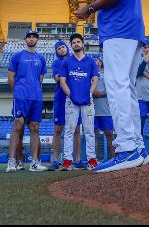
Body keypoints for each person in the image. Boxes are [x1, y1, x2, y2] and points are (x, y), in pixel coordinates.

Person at [75, 0, 147, 173]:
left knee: (116, 86)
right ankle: (138, 147)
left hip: (119, 31)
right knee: (128, 89)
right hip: (132, 33)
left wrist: (90, 7)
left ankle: (126, 149)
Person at [6, 30, 48, 173]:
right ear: (25, 39)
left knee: (35, 127)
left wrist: (34, 90)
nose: (31, 39)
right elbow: (10, 78)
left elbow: (40, 79)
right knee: (18, 126)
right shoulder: (17, 56)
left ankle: (34, 162)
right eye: (29, 37)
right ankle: (11, 161)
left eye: (34, 37)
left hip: (36, 97)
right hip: (21, 96)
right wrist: (17, 92)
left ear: (37, 40)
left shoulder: (41, 58)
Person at [59, 34, 99, 171]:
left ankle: (92, 159)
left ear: (82, 43)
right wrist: (71, 95)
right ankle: (67, 161)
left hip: (87, 101)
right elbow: (62, 81)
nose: (76, 44)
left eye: (78, 42)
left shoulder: (91, 61)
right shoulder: (67, 62)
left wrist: (89, 94)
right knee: (69, 130)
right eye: (73, 42)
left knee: (89, 130)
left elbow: (95, 80)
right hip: (71, 101)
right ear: (71, 45)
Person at [49, 40, 80, 170]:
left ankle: (77, 160)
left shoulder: (75, 60)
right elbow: (57, 78)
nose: (62, 50)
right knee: (58, 129)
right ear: (56, 52)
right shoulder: (56, 62)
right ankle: (55, 160)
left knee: (77, 129)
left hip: (76, 97)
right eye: (59, 49)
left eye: (63, 47)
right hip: (61, 98)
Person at [92, 57, 115, 161]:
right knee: (93, 135)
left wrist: (99, 93)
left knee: (109, 134)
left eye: (96, 60)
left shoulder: (107, 75)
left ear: (100, 63)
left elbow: (112, 91)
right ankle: (93, 159)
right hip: (92, 110)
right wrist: (92, 92)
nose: (94, 61)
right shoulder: (88, 76)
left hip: (105, 110)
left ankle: (114, 158)